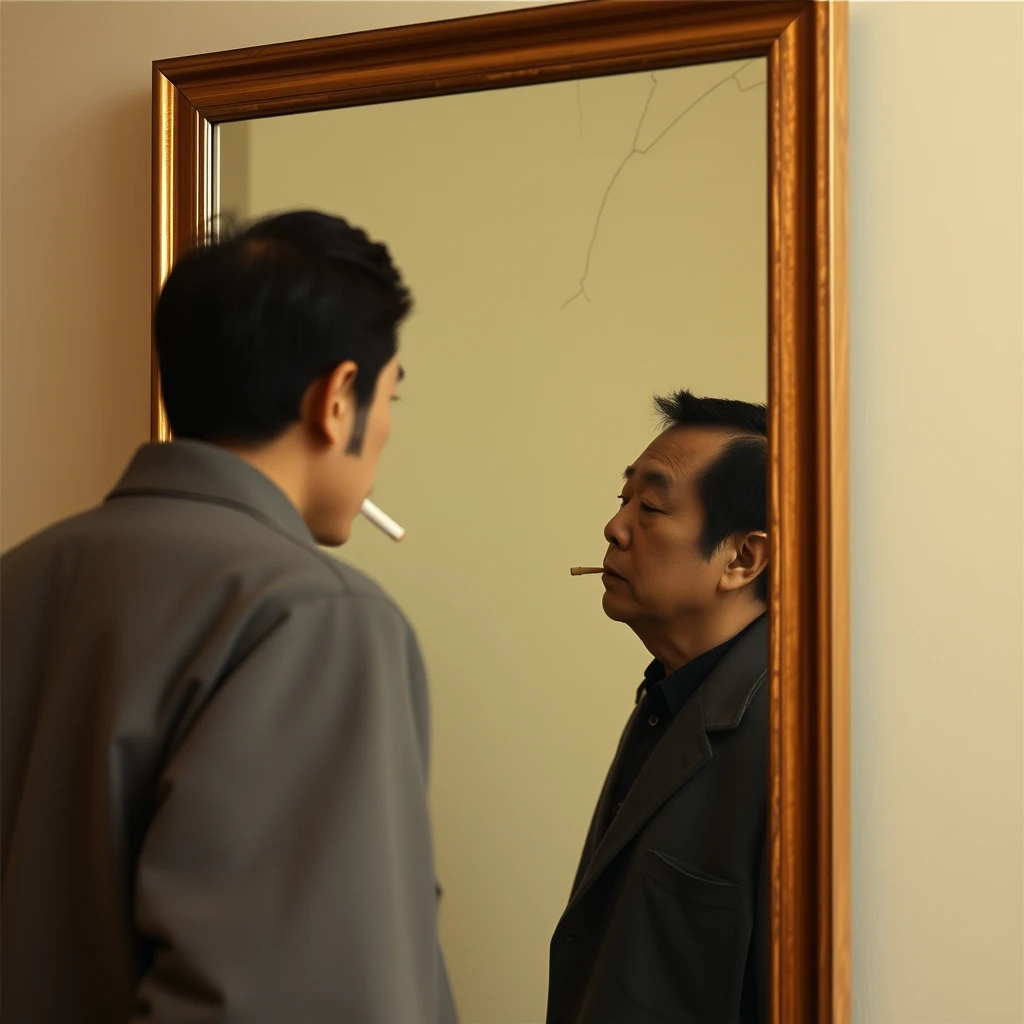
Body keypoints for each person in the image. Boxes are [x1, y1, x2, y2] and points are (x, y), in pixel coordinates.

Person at [0, 211, 457, 1023]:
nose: (387, 427)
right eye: (392, 395)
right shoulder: (315, 616)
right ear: (338, 398)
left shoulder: (23, 574)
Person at [547, 390, 770, 1024]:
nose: (615, 528)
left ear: (744, 557)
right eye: (624, 500)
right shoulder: (669, 694)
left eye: (650, 506)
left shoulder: (788, 738)